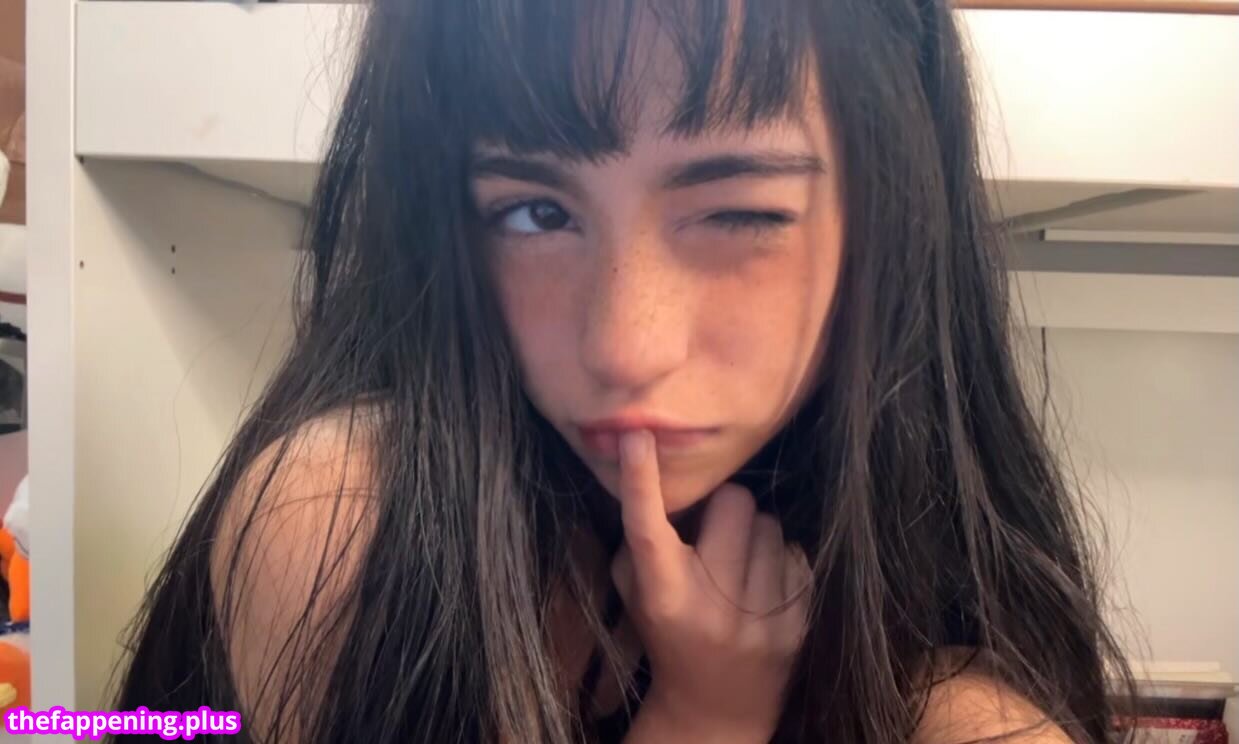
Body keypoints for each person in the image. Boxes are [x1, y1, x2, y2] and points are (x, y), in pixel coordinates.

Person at [111, 0, 1135, 741]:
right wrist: (705, 719)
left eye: (738, 213)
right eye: (535, 212)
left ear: (892, 215)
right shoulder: (351, 525)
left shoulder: (958, 680)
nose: (624, 346)